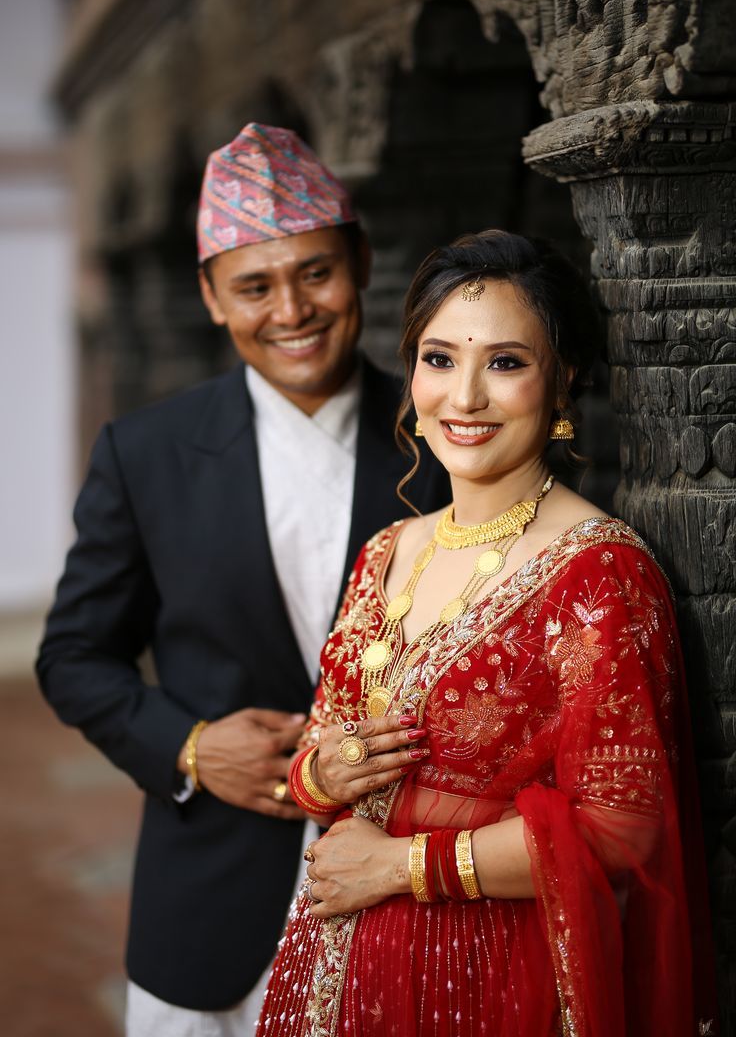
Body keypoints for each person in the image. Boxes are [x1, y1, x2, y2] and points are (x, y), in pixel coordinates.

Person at [35, 123, 450, 1035]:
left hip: (415, 893)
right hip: (211, 901)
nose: (291, 310)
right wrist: (188, 747)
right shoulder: (144, 455)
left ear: (361, 264)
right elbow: (73, 657)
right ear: (212, 298)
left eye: (316, 273)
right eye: (254, 286)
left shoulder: (448, 436)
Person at [257, 229, 718, 1036]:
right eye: (439, 359)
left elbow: (624, 826)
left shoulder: (597, 573)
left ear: (563, 379)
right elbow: (315, 759)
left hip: (489, 976)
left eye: (505, 363)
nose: (462, 397)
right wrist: (325, 774)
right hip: (344, 966)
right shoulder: (387, 552)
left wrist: (400, 867)